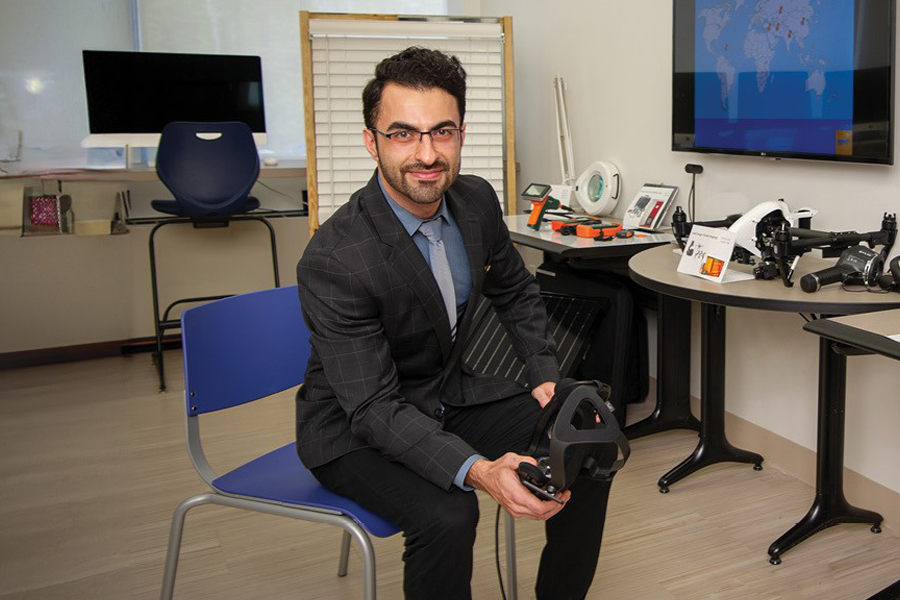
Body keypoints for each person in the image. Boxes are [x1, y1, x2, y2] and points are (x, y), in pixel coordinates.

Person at [296, 46, 613, 600]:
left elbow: (514, 288)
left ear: (461, 134)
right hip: (351, 428)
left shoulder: (475, 201)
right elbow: (371, 407)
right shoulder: (336, 257)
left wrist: (542, 370)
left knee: (585, 435)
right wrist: (481, 470)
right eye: (403, 134)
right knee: (448, 513)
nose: (426, 153)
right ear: (372, 141)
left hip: (444, 394)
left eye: (442, 132)